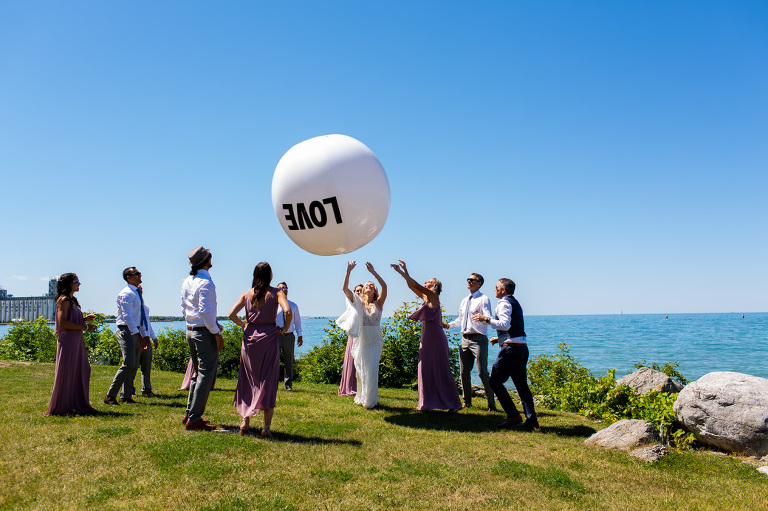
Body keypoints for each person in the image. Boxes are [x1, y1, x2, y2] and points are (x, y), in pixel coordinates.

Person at [228, 262, 291, 438]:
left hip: (249, 340)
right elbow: (287, 310)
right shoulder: (276, 293)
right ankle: (266, 428)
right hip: (269, 337)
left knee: (247, 380)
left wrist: (244, 325)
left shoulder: (247, 294)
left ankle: (244, 422)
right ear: (270, 275)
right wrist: (285, 328)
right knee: (268, 381)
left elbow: (231, 314)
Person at [391, 260, 461, 411]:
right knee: (425, 369)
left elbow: (416, 284)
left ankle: (453, 403)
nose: (426, 282)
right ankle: (427, 403)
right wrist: (405, 271)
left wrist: (401, 272)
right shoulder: (426, 298)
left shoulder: (434, 297)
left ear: (434, 286)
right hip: (427, 337)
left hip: (436, 338)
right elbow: (412, 285)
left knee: (441, 369)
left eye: (429, 281)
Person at [473, 278, 538, 430]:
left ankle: (513, 415)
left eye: (496, 287)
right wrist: (500, 337)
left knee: (494, 381)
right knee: (522, 386)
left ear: (503, 290)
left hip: (511, 349)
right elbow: (513, 326)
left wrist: (486, 319)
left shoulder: (503, 302)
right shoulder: (515, 302)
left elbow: (505, 324)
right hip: (521, 347)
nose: (494, 289)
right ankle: (531, 419)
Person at [181, 246, 224, 431]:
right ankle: (195, 418)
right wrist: (216, 332)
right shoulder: (206, 283)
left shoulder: (187, 281)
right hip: (203, 332)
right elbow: (205, 311)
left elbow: (185, 307)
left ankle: (190, 413)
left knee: (197, 374)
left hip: (191, 330)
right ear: (206, 260)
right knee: (205, 375)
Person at [337, 261, 387, 409]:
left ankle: (371, 401)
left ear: (374, 290)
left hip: (375, 340)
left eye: (371, 285)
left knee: (372, 370)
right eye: (367, 284)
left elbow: (385, 286)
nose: (369, 285)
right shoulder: (358, 302)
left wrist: (373, 272)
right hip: (362, 340)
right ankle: (363, 396)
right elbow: (344, 288)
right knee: (362, 370)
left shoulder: (379, 303)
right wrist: (348, 270)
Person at [442, 273, 496, 411]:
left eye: (472, 280)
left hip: (478, 339)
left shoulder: (484, 299)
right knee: (463, 372)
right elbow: (460, 320)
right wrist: (448, 325)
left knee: (482, 372)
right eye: (468, 279)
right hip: (465, 339)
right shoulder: (465, 300)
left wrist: (483, 318)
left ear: (479, 283)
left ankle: (491, 404)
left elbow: (488, 318)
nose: (469, 281)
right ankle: (466, 402)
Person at [46, 273, 97, 416]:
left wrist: (84, 319)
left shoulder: (72, 300)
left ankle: (78, 403)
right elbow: (63, 323)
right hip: (68, 340)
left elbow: (71, 320)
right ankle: (64, 406)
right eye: (77, 281)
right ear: (69, 283)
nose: (79, 283)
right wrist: (85, 327)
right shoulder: (64, 300)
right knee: (67, 372)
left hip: (76, 340)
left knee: (82, 369)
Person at [105, 267, 150, 405]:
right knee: (129, 363)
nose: (140, 275)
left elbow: (139, 317)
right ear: (129, 277)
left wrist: (145, 334)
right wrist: (138, 336)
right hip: (127, 330)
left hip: (135, 330)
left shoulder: (136, 293)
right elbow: (128, 317)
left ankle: (126, 395)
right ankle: (110, 395)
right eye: (136, 274)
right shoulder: (126, 294)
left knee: (134, 364)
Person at [127, 285, 158, 397]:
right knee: (133, 366)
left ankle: (147, 389)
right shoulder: (134, 308)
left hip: (147, 338)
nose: (140, 292)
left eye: (141, 290)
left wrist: (153, 337)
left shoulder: (145, 308)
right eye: (137, 290)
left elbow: (147, 324)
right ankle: (129, 391)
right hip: (137, 337)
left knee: (146, 366)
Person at [275, 281, 303, 391]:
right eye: (281, 288)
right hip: (275, 336)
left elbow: (297, 321)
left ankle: (288, 384)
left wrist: (300, 335)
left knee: (289, 361)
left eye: (285, 287)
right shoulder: (273, 305)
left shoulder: (293, 305)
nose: (284, 289)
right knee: (273, 361)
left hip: (289, 337)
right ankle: (273, 383)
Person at [338, 284, 363, 396]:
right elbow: (344, 289)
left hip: (364, 335)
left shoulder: (367, 304)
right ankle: (349, 387)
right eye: (357, 291)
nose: (358, 292)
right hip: (354, 335)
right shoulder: (354, 301)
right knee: (352, 360)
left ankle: (361, 388)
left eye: (361, 291)